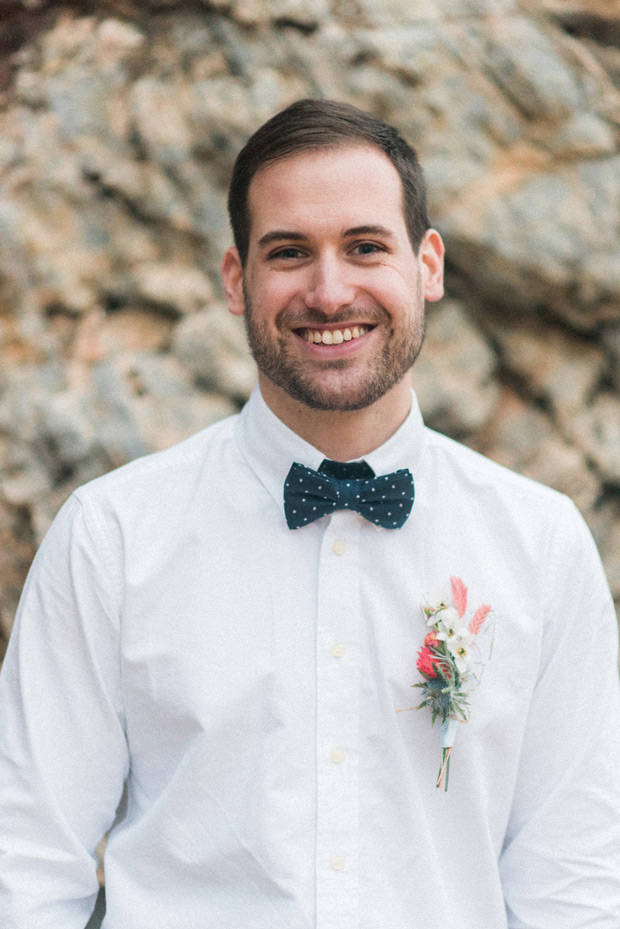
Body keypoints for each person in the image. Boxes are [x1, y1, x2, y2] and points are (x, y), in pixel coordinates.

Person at [1, 98, 619, 929]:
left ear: (427, 263)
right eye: (289, 253)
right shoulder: (111, 536)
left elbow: (576, 880)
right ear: (236, 279)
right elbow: (26, 859)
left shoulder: (540, 545)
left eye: (365, 247)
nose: (330, 292)